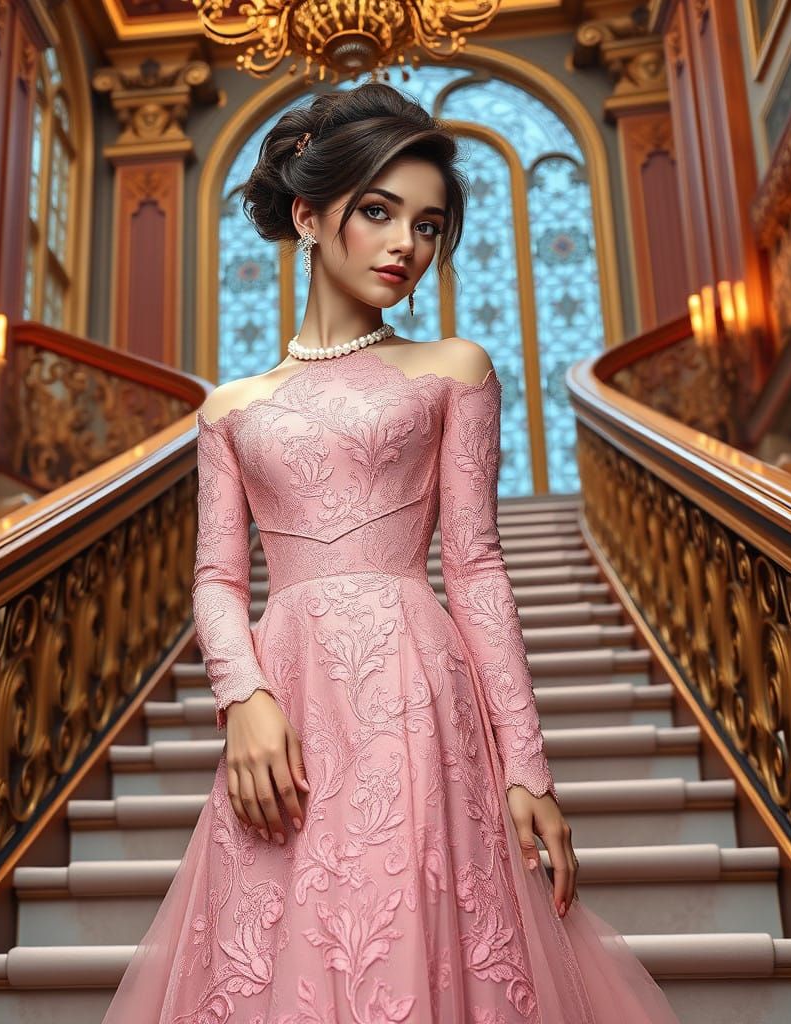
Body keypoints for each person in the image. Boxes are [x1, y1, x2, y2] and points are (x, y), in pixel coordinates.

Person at [102, 81, 680, 1023]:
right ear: (308, 217)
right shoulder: (230, 409)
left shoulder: (453, 369)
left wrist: (527, 764)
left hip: (416, 690)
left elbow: (478, 570)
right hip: (286, 698)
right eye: (378, 212)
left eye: (428, 224)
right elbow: (215, 580)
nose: (406, 243)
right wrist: (244, 697)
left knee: (417, 946)